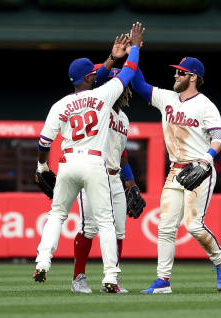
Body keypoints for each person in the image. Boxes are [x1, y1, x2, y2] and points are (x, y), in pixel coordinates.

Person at [33, 22, 145, 293]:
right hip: (94, 163)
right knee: (104, 222)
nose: (97, 75)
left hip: (69, 161)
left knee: (57, 214)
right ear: (88, 78)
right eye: (93, 74)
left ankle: (42, 262)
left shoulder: (61, 104)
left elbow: (44, 142)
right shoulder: (102, 97)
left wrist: (41, 166)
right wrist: (135, 49)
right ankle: (109, 276)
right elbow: (129, 72)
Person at [130, 56, 221, 293]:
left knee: (194, 226)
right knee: (165, 227)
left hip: (200, 169)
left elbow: (219, 136)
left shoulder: (206, 105)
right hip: (175, 171)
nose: (176, 75)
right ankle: (163, 280)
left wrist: (208, 158)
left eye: (181, 72)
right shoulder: (166, 97)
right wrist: (133, 51)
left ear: (193, 77)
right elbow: (138, 85)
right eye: (176, 71)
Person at [71, 68, 141, 294]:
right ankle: (78, 278)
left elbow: (121, 155)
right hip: (93, 174)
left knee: (119, 231)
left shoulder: (124, 119)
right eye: (112, 82)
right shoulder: (97, 107)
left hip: (115, 178)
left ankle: (110, 280)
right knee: (89, 229)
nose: (118, 86)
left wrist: (131, 182)